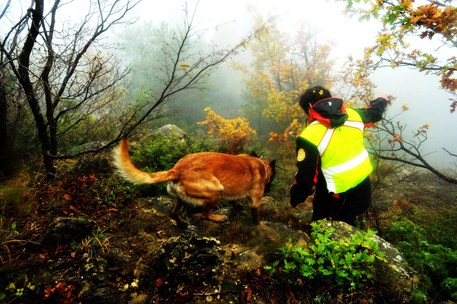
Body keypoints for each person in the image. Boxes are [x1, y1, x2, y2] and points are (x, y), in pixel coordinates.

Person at [290, 85, 389, 226]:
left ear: (310, 107)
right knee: (349, 223)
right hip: (363, 190)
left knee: (321, 227)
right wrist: (382, 99)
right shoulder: (354, 115)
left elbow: (306, 177)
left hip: (335, 196)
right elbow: (375, 113)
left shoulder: (308, 136)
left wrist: (296, 198)